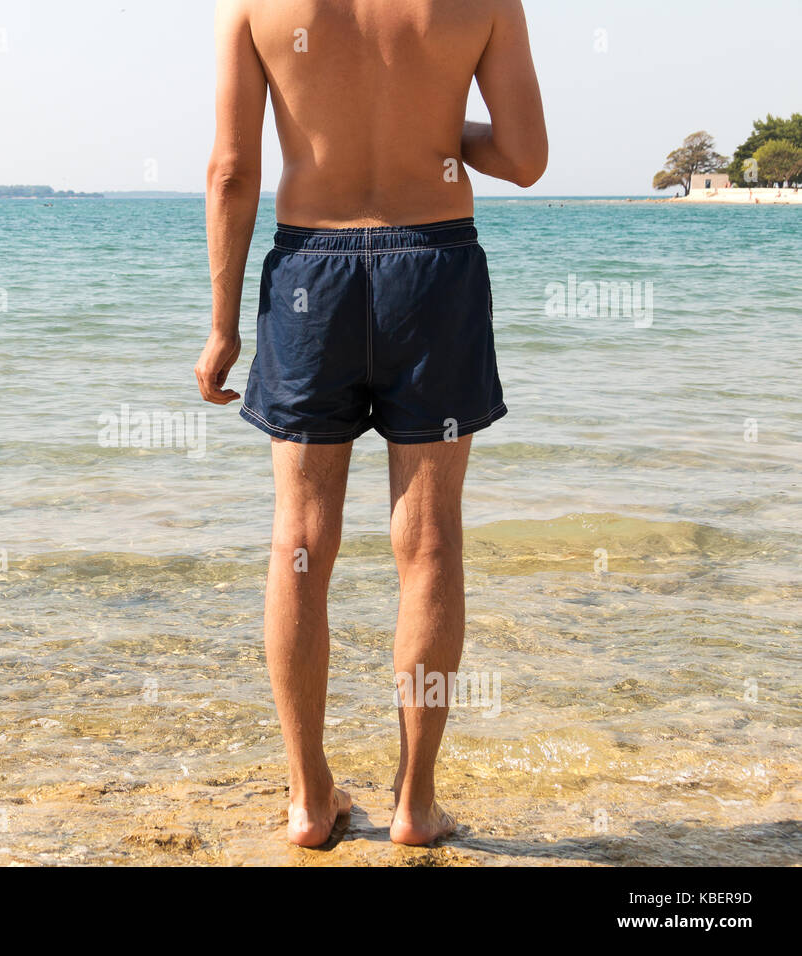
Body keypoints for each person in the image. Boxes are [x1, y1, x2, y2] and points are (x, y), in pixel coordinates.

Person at [194, 0, 548, 847]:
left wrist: (222, 324)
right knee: (428, 542)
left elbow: (232, 171)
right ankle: (414, 805)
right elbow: (526, 159)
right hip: (433, 268)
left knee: (298, 540)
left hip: (309, 273)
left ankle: (310, 799)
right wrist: (436, 124)